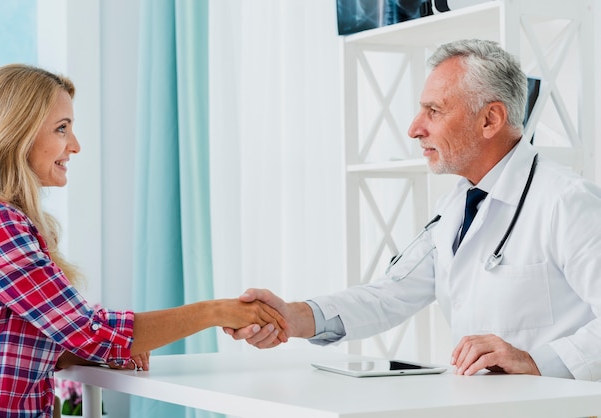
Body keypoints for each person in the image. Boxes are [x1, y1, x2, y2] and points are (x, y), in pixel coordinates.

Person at [226, 38, 601, 381]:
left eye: (433, 111)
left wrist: (537, 361)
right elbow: (391, 295)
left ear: (490, 119)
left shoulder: (566, 201)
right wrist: (294, 317)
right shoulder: (456, 205)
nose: (414, 128)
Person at [0, 64, 287, 417]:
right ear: (16, 133)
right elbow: (87, 329)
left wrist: (112, 349)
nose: (75, 146)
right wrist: (214, 311)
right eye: (62, 129)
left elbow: (18, 339)